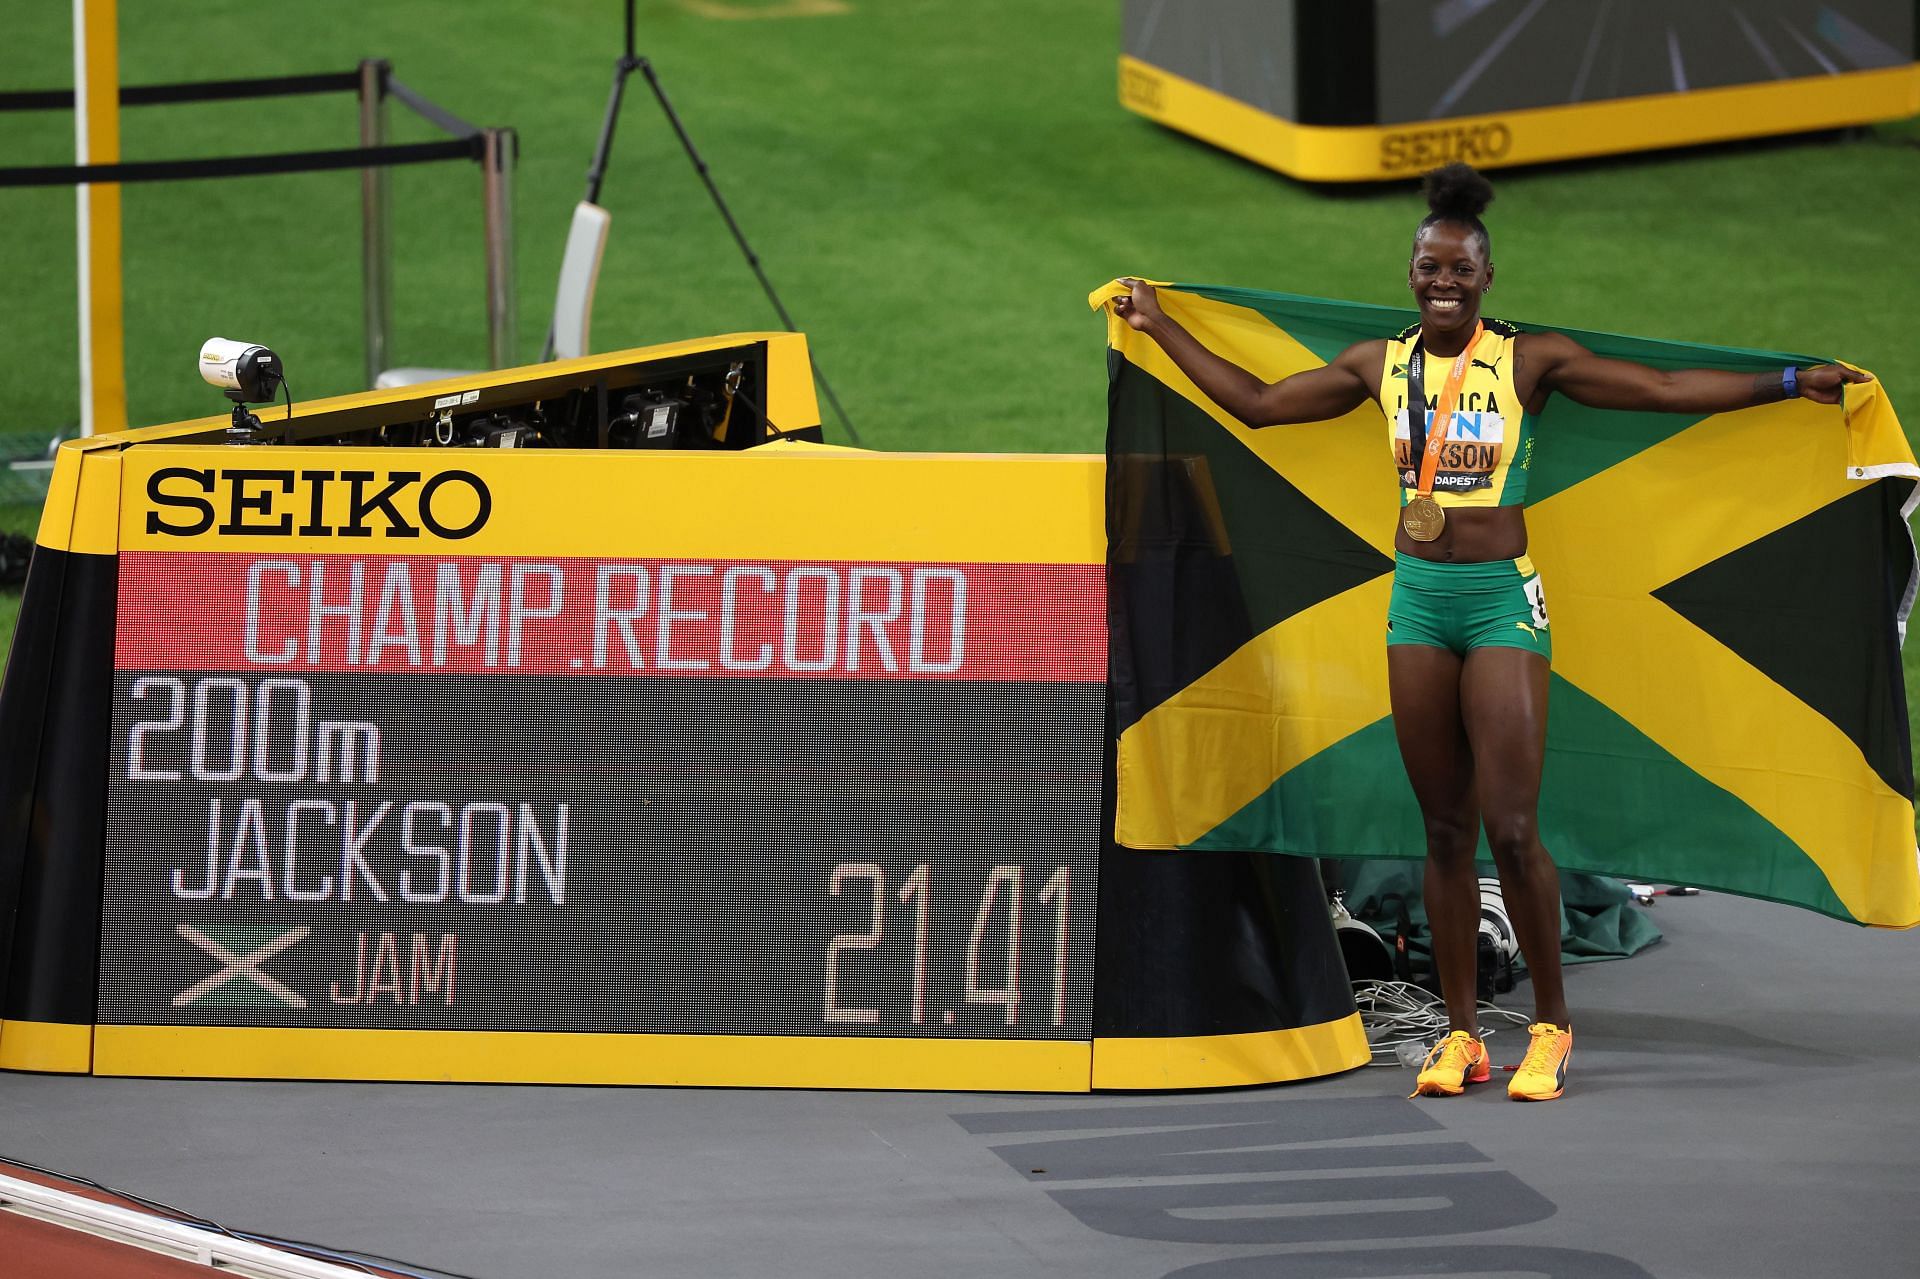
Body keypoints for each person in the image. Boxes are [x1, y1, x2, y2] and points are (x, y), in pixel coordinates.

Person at [1109, 162, 1867, 1102]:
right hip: (1417, 599)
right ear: (1412, 271)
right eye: (1430, 266)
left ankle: (1550, 1026)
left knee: (1511, 827)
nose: (1443, 282)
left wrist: (1791, 380)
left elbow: (1665, 388)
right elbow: (1262, 406)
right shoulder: (1378, 367)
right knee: (1442, 828)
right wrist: (1159, 325)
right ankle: (1462, 1033)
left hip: (1502, 601)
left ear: (1487, 277)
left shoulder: (1529, 361)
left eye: (1461, 269)